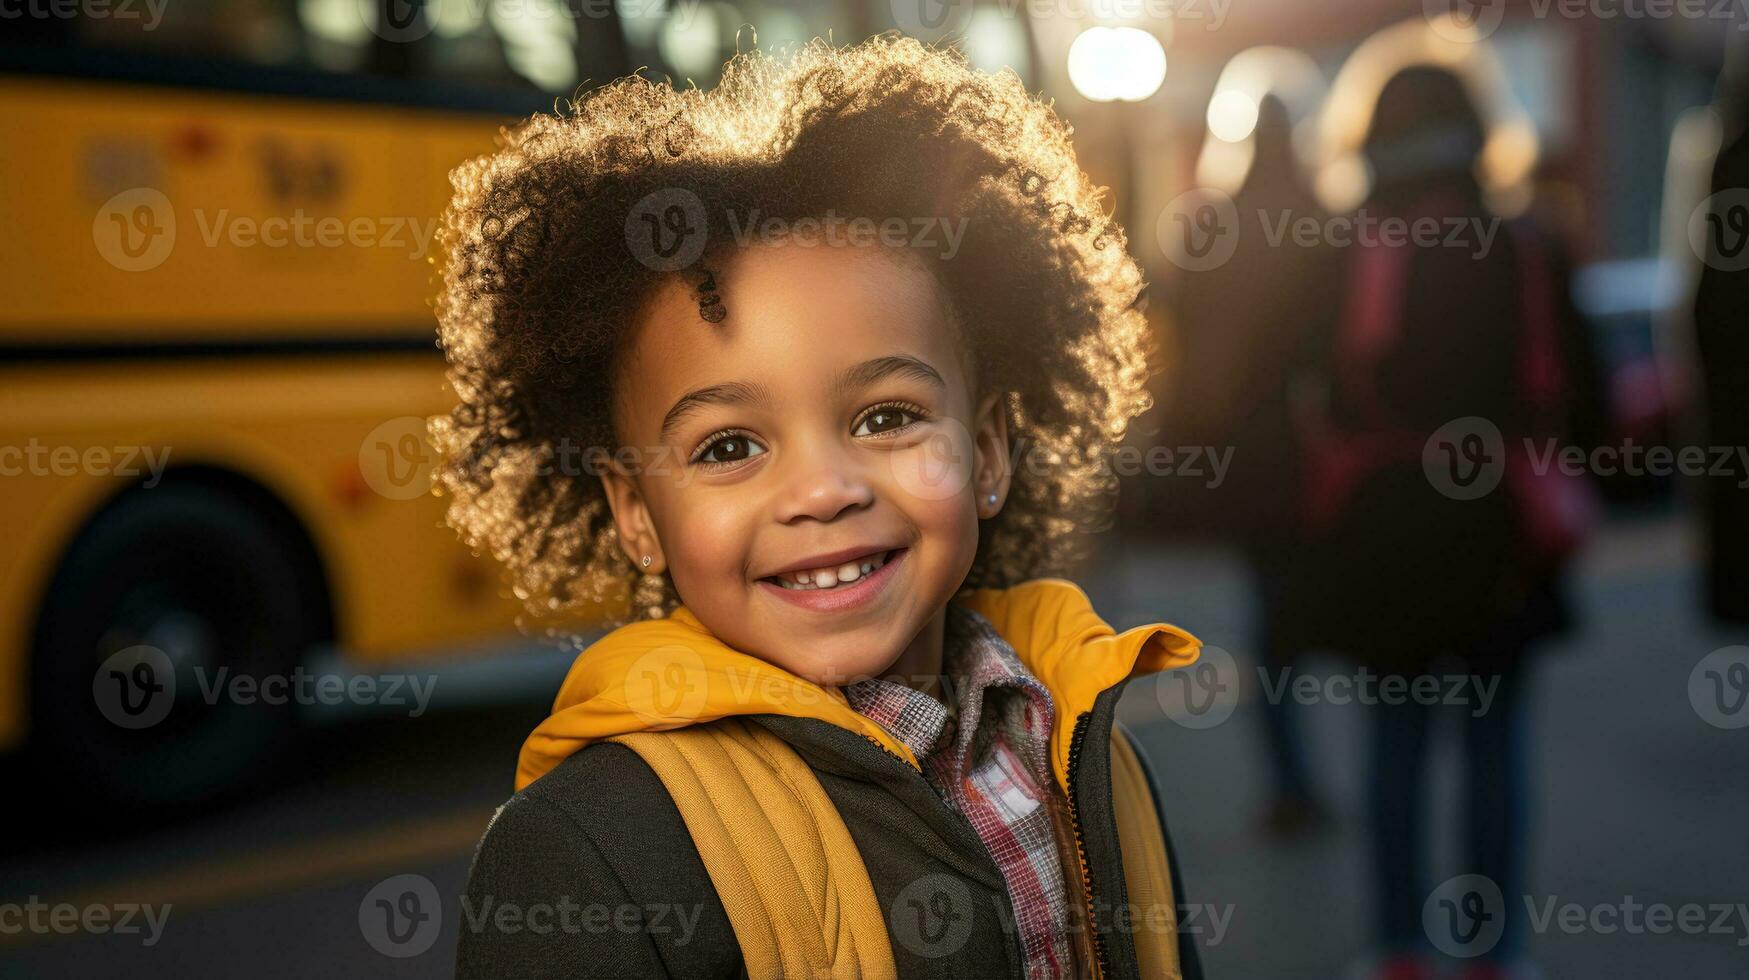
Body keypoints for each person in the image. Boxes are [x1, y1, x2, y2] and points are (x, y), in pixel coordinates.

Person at [437, 37, 1205, 979]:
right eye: (728, 447)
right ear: (636, 509)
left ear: (989, 450)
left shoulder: (1087, 744)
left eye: (886, 417)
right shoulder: (591, 850)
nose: (821, 490)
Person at [1279, 21, 1607, 980]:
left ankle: (1395, 948)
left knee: (1393, 741)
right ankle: (1495, 953)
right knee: (1495, 745)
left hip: (1383, 531)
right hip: (1501, 528)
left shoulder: (1343, 249)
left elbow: (1306, 388)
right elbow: (1579, 401)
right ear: (1477, 125)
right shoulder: (1528, 246)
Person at [1170, 52, 1338, 838]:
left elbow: (1180, 338)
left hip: (1244, 457)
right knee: (1336, 613)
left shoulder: (1208, 223)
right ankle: (1342, 773)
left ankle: (1289, 780)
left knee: (1269, 629)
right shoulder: (1326, 218)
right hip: (1325, 452)